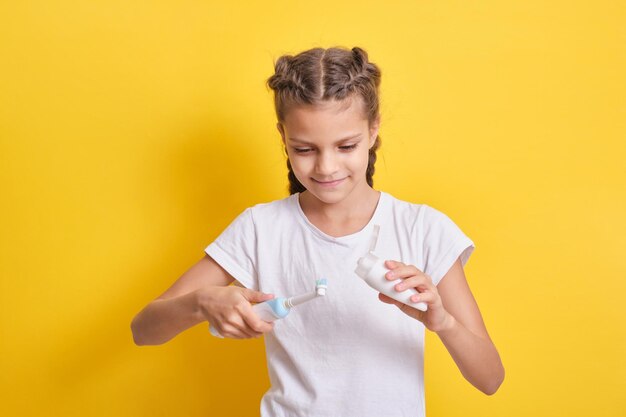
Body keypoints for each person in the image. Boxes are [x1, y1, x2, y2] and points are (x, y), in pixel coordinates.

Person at [131, 46, 505, 416]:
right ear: (283, 137)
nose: (326, 167)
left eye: (346, 146)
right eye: (305, 149)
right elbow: (144, 329)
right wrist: (202, 303)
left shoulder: (423, 229)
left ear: (373, 130)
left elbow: (490, 378)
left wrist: (442, 321)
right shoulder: (261, 229)